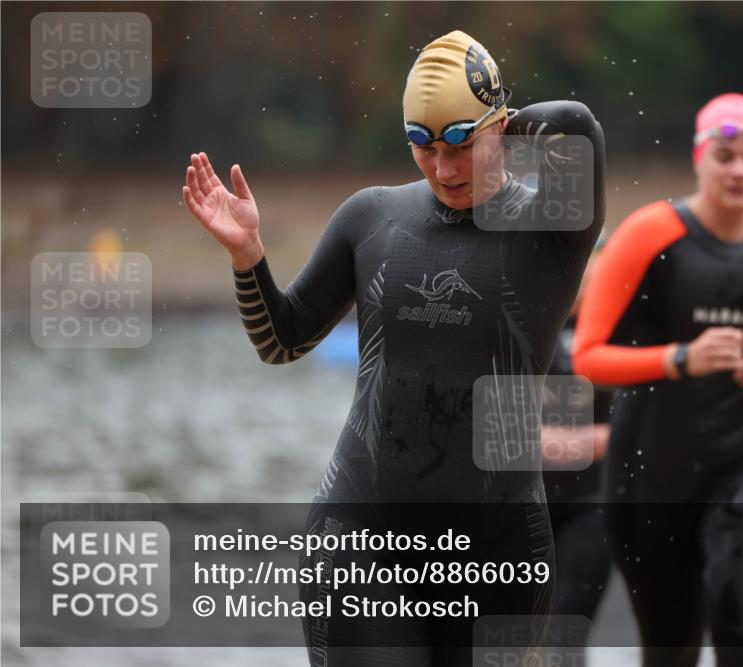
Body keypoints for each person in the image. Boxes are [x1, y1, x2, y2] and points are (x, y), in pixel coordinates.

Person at [182, 30, 605, 666]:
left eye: (461, 141)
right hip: (360, 533)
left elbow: (578, 125)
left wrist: (500, 122)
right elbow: (283, 340)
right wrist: (249, 259)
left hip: (499, 546)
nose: (443, 167)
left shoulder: (554, 228)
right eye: (422, 145)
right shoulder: (370, 217)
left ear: (503, 125)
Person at [572, 93, 743, 666]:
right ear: (699, 157)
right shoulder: (648, 236)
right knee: (671, 649)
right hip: (649, 472)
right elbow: (589, 356)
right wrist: (679, 359)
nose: (739, 170)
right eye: (725, 155)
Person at [540, 237, 614, 658]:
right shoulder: (514, 321)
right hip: (512, 504)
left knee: (566, 639)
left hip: (591, 505)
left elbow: (640, 431)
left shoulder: (621, 333)